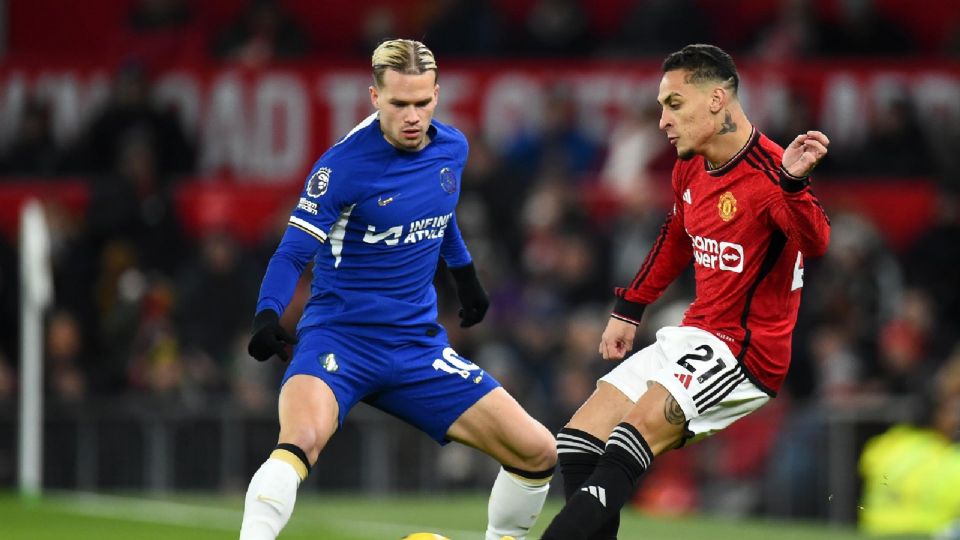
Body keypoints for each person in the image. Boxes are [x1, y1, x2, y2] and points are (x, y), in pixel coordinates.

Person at [238, 39, 556, 540]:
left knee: (538, 451)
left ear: (437, 95)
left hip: (416, 346)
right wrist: (267, 314)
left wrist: (464, 272)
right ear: (373, 97)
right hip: (339, 338)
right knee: (299, 442)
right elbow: (292, 253)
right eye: (399, 103)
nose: (413, 115)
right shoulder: (341, 167)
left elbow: (439, 208)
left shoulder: (452, 147)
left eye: (423, 102)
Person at [540, 43, 832, 540]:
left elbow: (817, 241)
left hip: (744, 352)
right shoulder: (689, 164)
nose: (662, 121)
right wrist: (629, 308)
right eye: (661, 106)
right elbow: (676, 237)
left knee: (631, 438)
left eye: (674, 104)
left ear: (717, 99)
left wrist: (794, 185)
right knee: (577, 442)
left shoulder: (772, 173)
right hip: (694, 332)